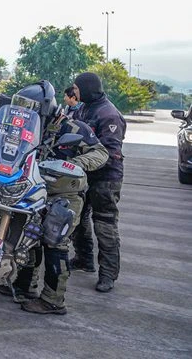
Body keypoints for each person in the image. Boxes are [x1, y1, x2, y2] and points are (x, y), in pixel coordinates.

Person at [0, 82, 108, 315]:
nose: (24, 112)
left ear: (45, 108)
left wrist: (75, 164)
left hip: (64, 194)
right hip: (31, 190)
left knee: (54, 243)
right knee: (27, 239)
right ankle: (24, 287)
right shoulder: (23, 127)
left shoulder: (72, 127)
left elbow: (100, 152)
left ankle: (53, 300)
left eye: (29, 107)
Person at [70, 72, 126, 293]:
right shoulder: (84, 108)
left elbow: (111, 153)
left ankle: (108, 274)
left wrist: (80, 162)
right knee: (77, 219)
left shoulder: (108, 114)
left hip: (106, 178)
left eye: (76, 88)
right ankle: (84, 259)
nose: (74, 92)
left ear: (87, 88)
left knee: (104, 225)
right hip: (82, 174)